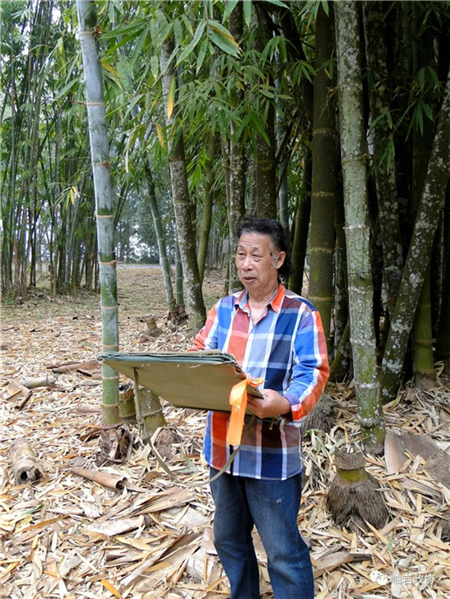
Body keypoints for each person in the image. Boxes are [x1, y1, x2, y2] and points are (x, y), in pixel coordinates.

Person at [194, 216, 329, 599]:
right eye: (240, 254)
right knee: (229, 540)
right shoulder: (224, 309)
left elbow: (313, 371)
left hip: (271, 453)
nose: (246, 264)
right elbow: (199, 354)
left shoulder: (301, 314)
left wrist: (284, 403)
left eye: (256, 255)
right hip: (222, 449)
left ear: (279, 259)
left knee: (283, 551)